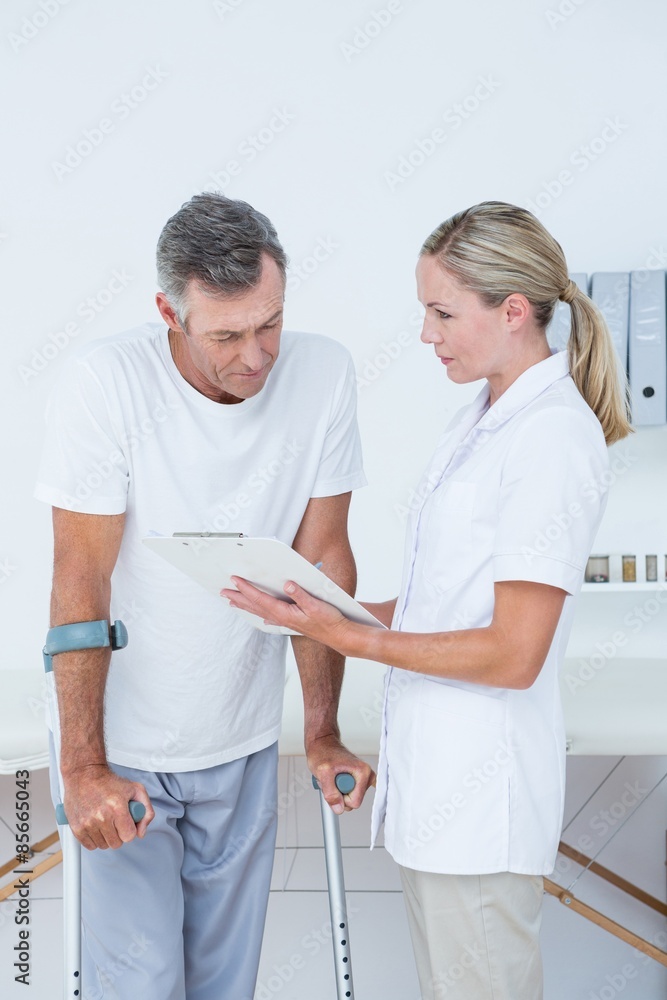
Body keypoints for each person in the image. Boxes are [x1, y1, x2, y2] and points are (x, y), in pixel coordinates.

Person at [223, 201, 633, 1000]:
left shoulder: (548, 438)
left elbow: (513, 654)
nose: (425, 334)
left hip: (481, 812)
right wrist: (316, 604)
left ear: (512, 312)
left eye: (442, 313)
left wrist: (343, 637)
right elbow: (440, 606)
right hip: (441, 803)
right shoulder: (478, 421)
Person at [35, 192, 374, 1000]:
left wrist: (322, 731)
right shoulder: (106, 383)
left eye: (270, 323)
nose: (256, 356)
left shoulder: (322, 373)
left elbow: (322, 558)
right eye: (226, 335)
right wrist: (83, 769)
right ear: (169, 313)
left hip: (242, 735)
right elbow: (81, 579)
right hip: (124, 751)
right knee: (142, 986)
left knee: (227, 988)